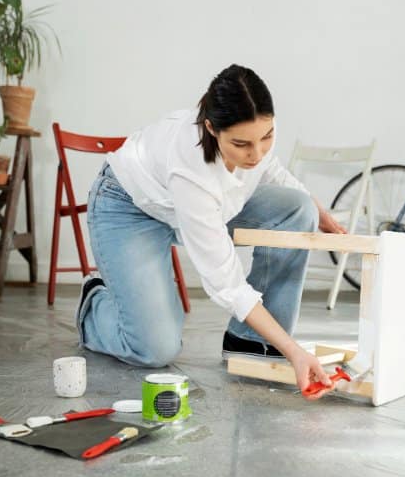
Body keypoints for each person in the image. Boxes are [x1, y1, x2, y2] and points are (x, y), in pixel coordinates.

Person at [76, 64, 347, 400]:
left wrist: (319, 211)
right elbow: (226, 283)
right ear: (211, 128)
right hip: (129, 208)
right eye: (242, 144)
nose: (257, 153)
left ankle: (250, 339)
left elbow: (271, 170)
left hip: (197, 207)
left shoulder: (253, 137)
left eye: (267, 136)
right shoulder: (192, 169)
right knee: (153, 349)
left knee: (298, 207)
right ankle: (95, 303)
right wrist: (295, 352)